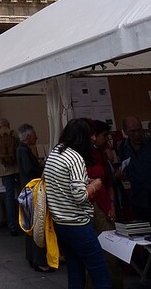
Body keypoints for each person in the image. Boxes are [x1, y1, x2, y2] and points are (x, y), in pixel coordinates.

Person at [43, 118, 111, 289]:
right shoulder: (75, 158)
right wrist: (94, 186)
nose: (94, 139)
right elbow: (80, 196)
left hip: (60, 223)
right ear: (82, 137)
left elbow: (57, 183)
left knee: (75, 272)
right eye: (91, 135)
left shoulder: (55, 152)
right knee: (100, 272)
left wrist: (83, 182)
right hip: (78, 224)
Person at [86, 120, 123, 289]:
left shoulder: (100, 153)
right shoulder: (84, 154)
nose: (105, 139)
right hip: (90, 205)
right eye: (103, 136)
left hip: (103, 205)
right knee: (94, 251)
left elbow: (109, 182)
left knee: (109, 249)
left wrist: (112, 204)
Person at [16, 123, 53, 273]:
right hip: (32, 191)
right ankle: (39, 261)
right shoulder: (24, 150)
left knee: (30, 226)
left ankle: (32, 258)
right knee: (37, 227)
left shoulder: (21, 149)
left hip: (27, 190)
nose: (37, 137)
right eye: (34, 134)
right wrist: (40, 165)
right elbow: (29, 170)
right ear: (28, 136)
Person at [117, 116, 151, 222]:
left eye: (139, 130)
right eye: (132, 131)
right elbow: (124, 167)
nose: (137, 134)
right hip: (138, 199)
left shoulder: (149, 143)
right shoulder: (122, 147)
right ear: (125, 132)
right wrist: (121, 174)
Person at [0, 118, 20, 236]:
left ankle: (12, 226)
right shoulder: (14, 134)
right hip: (16, 168)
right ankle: (23, 222)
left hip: (4, 169)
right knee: (21, 195)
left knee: (9, 197)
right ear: (8, 124)